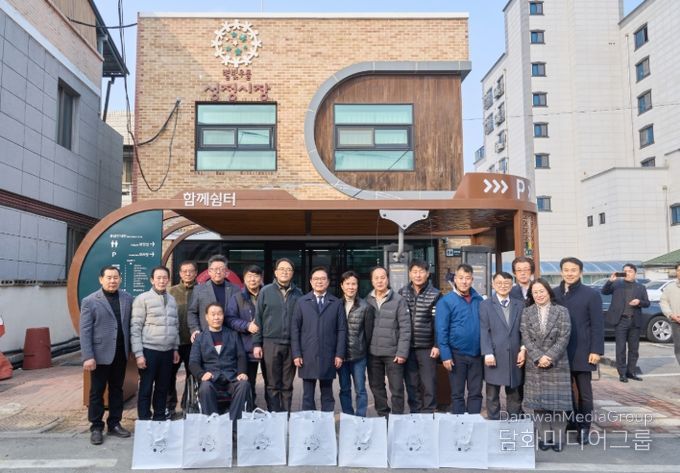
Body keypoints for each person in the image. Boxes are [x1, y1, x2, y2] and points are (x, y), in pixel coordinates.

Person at [79, 265, 133, 445]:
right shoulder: (90, 301)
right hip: (99, 354)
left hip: (120, 353)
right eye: (109, 278)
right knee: (97, 391)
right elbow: (85, 331)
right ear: (101, 279)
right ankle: (96, 427)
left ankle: (114, 423)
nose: (112, 281)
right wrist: (88, 356)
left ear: (120, 279)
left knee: (117, 389)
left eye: (115, 277)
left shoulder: (127, 298)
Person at [553, 256, 604, 445]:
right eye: (566, 270)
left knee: (584, 393)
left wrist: (596, 350)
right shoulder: (554, 293)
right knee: (564, 391)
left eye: (573, 270)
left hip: (583, 351)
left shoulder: (591, 294)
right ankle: (571, 422)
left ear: (580, 272)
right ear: (561, 272)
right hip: (559, 352)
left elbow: (597, 325)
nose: (569, 273)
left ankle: (584, 428)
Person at [521, 279, 572, 452]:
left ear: (549, 292)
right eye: (535, 292)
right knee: (539, 405)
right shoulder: (527, 312)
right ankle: (545, 437)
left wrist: (549, 356)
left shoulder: (562, 311)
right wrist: (538, 356)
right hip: (535, 363)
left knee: (558, 405)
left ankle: (558, 438)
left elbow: (564, 336)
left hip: (556, 363)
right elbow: (525, 336)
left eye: (541, 291)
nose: (539, 295)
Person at [291, 266, 347, 411]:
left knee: (327, 394)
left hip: (328, 354)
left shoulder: (336, 303)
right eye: (316, 279)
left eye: (322, 279)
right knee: (307, 395)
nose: (319, 282)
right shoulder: (302, 302)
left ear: (328, 282)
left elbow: (341, 330)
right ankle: (309, 422)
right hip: (307, 354)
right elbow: (295, 329)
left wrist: (339, 354)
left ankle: (326, 421)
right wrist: (296, 354)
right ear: (311, 281)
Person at [252, 258, 303, 412]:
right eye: (281, 269)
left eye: (288, 269)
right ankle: (274, 416)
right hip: (270, 343)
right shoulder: (265, 291)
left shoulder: (298, 293)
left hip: (291, 343)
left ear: (292, 273)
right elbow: (258, 318)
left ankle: (286, 416)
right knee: (272, 384)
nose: (285, 272)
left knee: (287, 384)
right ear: (275, 272)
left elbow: (301, 321)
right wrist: (256, 343)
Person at [130, 266, 180, 421]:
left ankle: (159, 417)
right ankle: (144, 419)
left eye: (164, 278)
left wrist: (175, 348)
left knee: (162, 387)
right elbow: (135, 328)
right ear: (152, 280)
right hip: (149, 350)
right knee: (146, 387)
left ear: (168, 280)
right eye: (158, 278)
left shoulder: (172, 300)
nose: (161, 281)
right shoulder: (142, 299)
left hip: (167, 351)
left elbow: (175, 325)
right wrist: (139, 354)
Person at [189, 303, 252, 419]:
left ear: (223, 316)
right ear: (206, 317)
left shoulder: (233, 335)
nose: (216, 317)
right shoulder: (200, 338)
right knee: (205, 387)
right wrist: (202, 374)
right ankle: (213, 422)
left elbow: (241, 356)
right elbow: (193, 362)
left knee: (244, 384)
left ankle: (234, 421)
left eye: (219, 314)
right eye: (213, 314)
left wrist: (242, 372)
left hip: (231, 378)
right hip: (211, 379)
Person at [436, 263, 484, 414]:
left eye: (467, 278)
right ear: (455, 279)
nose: (464, 281)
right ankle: (459, 424)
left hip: (476, 354)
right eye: (461, 278)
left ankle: (474, 422)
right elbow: (441, 330)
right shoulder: (446, 301)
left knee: (476, 393)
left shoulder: (479, 300)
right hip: (456, 355)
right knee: (457, 394)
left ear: (472, 280)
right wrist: (445, 355)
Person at [479, 271, 526, 420]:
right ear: (493, 284)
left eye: (506, 283)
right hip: (494, 355)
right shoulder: (485, 305)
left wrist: (523, 349)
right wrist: (487, 352)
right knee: (492, 395)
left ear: (512, 285)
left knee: (514, 395)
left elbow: (524, 330)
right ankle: (494, 423)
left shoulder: (520, 304)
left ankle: (514, 423)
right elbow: (484, 330)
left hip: (514, 355)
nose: (503, 286)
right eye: (499, 283)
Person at [366, 266, 411, 417]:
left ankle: (397, 417)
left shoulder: (398, 300)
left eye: (383, 277)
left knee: (397, 388)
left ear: (388, 279)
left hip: (393, 353)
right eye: (376, 278)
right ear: (372, 281)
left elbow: (405, 328)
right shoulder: (367, 300)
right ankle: (383, 415)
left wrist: (402, 352)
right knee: (376, 387)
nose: (380, 281)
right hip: (373, 353)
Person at [398, 259, 441, 413]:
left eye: (421, 271)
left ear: (427, 274)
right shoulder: (402, 293)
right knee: (412, 383)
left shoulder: (436, 294)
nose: (418, 275)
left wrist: (437, 345)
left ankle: (429, 412)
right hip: (408, 347)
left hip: (427, 348)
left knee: (429, 383)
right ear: (409, 274)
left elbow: (439, 322)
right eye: (414, 272)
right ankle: (415, 413)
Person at [225, 265, 269, 409]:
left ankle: (273, 411)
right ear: (244, 279)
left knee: (271, 383)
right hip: (246, 346)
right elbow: (230, 319)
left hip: (268, 345)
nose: (252, 279)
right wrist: (246, 325)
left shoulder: (268, 294)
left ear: (261, 278)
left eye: (256, 276)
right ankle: (249, 409)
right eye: (249, 276)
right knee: (248, 382)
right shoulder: (237, 297)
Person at [602, 264, 650, 382]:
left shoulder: (641, 287)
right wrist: (610, 281)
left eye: (630, 271)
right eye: (625, 271)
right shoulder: (617, 284)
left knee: (634, 349)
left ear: (635, 273)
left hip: (635, 320)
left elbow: (647, 303)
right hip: (621, 320)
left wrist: (639, 302)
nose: (627, 273)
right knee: (621, 348)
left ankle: (631, 372)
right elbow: (604, 292)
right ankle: (622, 373)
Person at [337, 270, 374, 417]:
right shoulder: (336, 305)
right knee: (344, 389)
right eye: (347, 284)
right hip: (341, 356)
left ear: (357, 286)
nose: (351, 287)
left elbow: (368, 334)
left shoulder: (365, 307)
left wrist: (364, 351)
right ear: (342, 285)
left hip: (359, 356)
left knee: (360, 390)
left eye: (354, 284)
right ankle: (348, 416)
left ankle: (360, 418)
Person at [166, 260, 197, 418]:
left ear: (196, 273)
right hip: (174, 342)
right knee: (169, 375)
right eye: (184, 271)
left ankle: (188, 405)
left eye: (191, 271)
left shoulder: (201, 290)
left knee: (193, 375)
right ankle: (169, 406)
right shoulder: (170, 292)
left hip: (194, 343)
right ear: (179, 273)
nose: (188, 274)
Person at [188, 255, 236, 341]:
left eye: (221, 269)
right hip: (206, 336)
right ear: (209, 271)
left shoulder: (235, 289)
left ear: (226, 272)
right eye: (215, 269)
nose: (218, 272)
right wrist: (195, 330)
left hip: (230, 336)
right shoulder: (199, 289)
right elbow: (192, 312)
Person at [660, 263, 680, 367]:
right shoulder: (670, 287)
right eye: (679, 270)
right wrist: (671, 314)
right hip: (675, 321)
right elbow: (663, 302)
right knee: (678, 347)